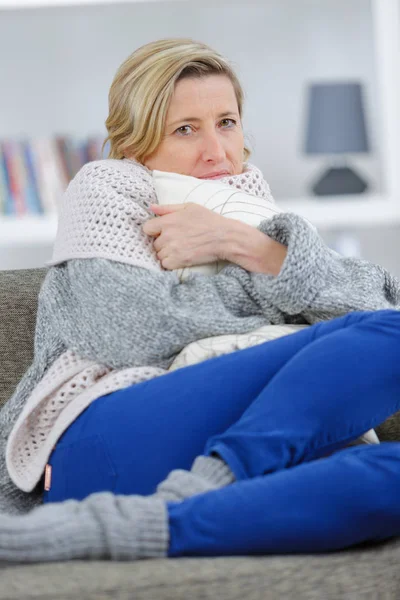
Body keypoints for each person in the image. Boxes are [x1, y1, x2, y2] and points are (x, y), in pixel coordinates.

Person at [0, 38, 400, 563]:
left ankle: (138, 527)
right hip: (105, 437)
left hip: (206, 455)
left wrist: (244, 244)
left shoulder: (252, 211)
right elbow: (129, 331)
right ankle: (213, 484)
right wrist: (278, 281)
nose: (216, 150)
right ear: (138, 140)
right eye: (185, 129)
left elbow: (377, 298)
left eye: (227, 123)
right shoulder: (108, 187)